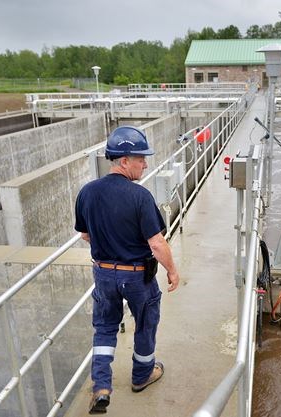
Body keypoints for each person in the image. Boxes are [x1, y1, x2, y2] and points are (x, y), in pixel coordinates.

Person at [74, 125, 180, 414]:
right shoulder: (140, 196)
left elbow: (85, 235)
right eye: (140, 158)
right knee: (145, 322)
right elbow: (157, 243)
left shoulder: (87, 192)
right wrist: (172, 270)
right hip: (137, 277)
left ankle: (102, 387)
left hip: (104, 274)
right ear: (124, 160)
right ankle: (142, 375)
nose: (145, 164)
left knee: (105, 328)